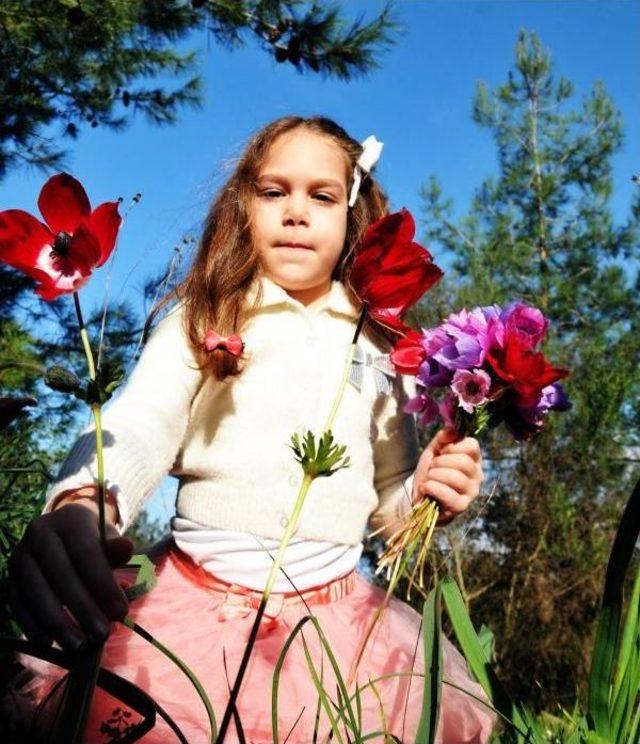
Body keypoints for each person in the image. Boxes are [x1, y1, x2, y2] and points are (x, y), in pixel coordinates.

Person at [3, 115, 495, 743]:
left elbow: (388, 505)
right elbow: (145, 417)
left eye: (321, 195)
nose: (296, 212)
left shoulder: (384, 347)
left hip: (336, 630)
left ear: (354, 215)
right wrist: (86, 499)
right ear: (243, 207)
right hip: (193, 612)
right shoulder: (207, 312)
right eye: (273, 192)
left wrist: (424, 493)